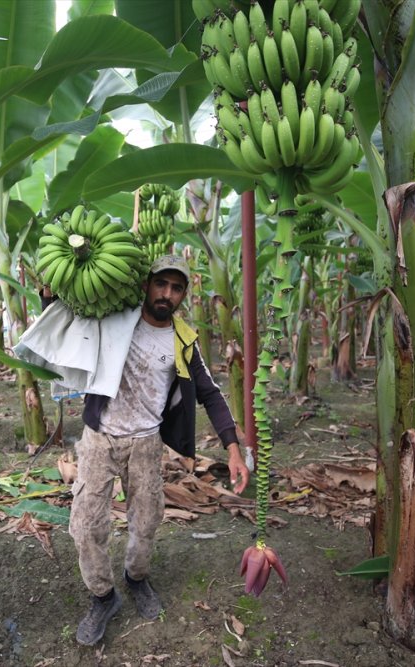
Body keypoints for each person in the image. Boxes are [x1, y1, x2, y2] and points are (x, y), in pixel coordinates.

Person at [69, 254, 250, 646]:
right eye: (161, 284)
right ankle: (102, 595)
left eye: (177, 287)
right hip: (100, 437)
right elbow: (70, 320)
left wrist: (233, 449)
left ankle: (136, 577)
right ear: (147, 284)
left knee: (147, 521)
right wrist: (51, 295)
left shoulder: (182, 340)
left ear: (183, 293)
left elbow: (210, 395)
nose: (167, 294)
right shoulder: (115, 319)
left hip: (147, 443)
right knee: (85, 526)